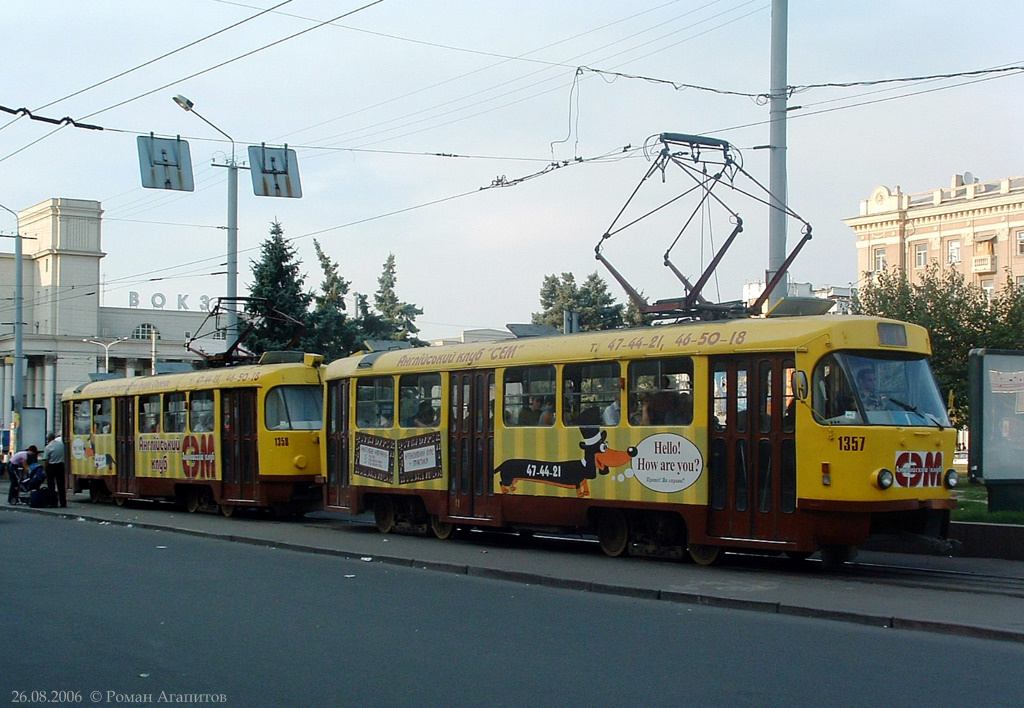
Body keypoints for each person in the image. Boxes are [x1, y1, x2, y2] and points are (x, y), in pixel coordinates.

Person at [42, 432, 67, 508]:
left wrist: (45, 470)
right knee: (61, 485)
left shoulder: (48, 447)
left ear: (49, 438)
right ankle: (63, 502)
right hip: (61, 465)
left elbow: (46, 460)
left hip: (52, 466)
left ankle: (53, 502)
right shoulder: (61, 445)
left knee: (51, 485)